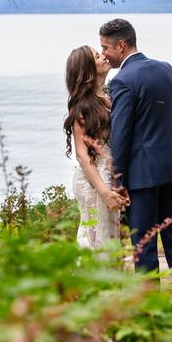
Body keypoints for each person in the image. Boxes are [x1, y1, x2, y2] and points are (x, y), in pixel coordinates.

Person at [99, 18, 172, 287]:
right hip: (171, 169)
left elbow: (121, 136)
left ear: (121, 45)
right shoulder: (166, 70)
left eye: (105, 47)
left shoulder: (122, 81)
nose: (103, 52)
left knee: (145, 243)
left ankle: (150, 304)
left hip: (141, 178)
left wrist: (119, 182)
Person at [64, 45, 129, 250]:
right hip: (94, 180)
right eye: (97, 56)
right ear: (87, 71)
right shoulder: (82, 106)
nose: (104, 57)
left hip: (109, 175)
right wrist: (104, 192)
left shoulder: (109, 96)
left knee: (110, 239)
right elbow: (82, 156)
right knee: (98, 241)